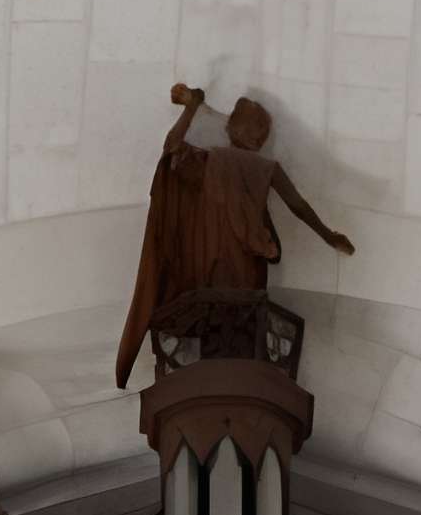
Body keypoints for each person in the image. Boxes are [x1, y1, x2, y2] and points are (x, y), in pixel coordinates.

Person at [114, 84, 356, 387]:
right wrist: (328, 235)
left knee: (215, 329)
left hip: (209, 268)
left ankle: (215, 387)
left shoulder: (208, 162)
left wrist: (192, 107)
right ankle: (239, 384)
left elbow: (172, 146)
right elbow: (297, 205)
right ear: (260, 138)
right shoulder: (267, 167)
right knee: (241, 332)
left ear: (230, 129)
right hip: (246, 271)